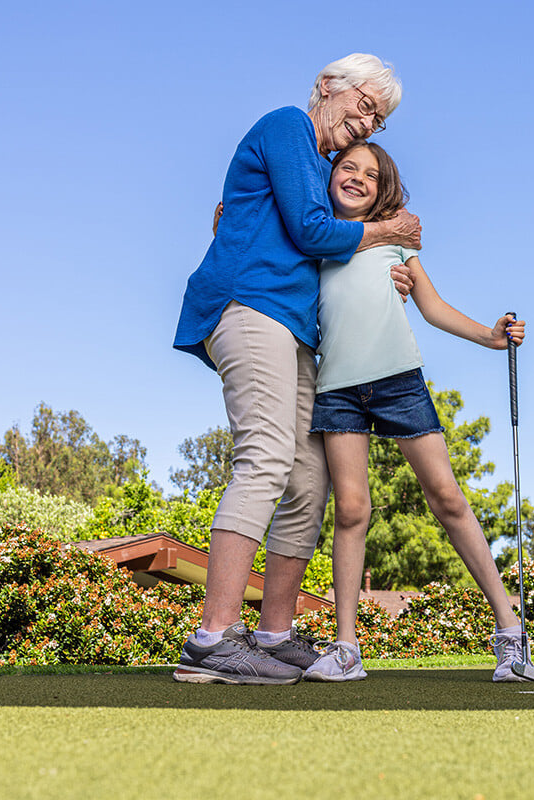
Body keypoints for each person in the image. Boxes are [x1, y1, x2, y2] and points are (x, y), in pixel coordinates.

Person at [172, 55, 421, 685]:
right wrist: (386, 230)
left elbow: (330, 250)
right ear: (326, 89)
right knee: (265, 456)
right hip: (250, 306)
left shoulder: (322, 167)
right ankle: (211, 640)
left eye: (379, 120)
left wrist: (386, 274)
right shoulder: (287, 124)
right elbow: (312, 233)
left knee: (309, 483)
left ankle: (273, 634)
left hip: (298, 332)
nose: (367, 124)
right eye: (364, 105)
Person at [299, 140, 533, 683]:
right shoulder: (314, 240)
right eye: (347, 167)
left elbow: (431, 307)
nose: (357, 178)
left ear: (385, 191)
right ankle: (347, 648)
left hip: (399, 381)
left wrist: (489, 337)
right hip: (337, 389)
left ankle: (509, 628)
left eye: (371, 175)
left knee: (447, 497)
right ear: (330, 177)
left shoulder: (397, 244)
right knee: (352, 510)